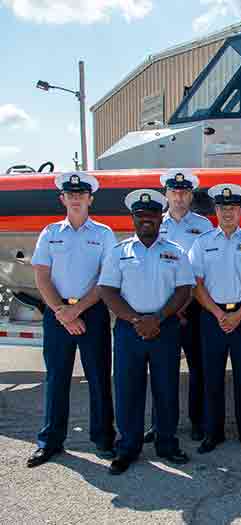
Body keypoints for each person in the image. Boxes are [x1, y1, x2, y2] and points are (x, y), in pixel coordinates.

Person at [98, 189, 194, 475]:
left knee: (166, 389)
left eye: (152, 215)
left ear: (160, 218)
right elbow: (108, 290)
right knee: (128, 390)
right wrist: (136, 320)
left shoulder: (175, 253)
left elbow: (184, 289)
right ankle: (127, 447)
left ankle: (166, 443)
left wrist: (159, 318)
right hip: (130, 331)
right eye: (141, 216)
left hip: (165, 329)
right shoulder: (119, 252)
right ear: (133, 219)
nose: (146, 220)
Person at [27, 172, 116, 467]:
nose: (76, 198)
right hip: (57, 313)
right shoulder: (50, 233)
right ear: (62, 198)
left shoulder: (103, 234)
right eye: (71, 194)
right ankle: (50, 441)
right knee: (57, 379)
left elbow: (106, 279)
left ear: (90, 198)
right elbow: (41, 275)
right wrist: (62, 312)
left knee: (99, 378)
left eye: (81, 194)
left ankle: (104, 439)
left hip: (92, 312)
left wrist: (76, 311)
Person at [188, 184, 241, 454]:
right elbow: (196, 285)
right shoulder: (202, 243)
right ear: (215, 210)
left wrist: (239, 314)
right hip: (212, 317)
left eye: (232, 208)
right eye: (222, 208)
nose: (227, 212)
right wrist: (219, 314)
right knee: (212, 378)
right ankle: (212, 434)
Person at [144, 168, 213, 443]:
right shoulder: (153, 224)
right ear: (166, 195)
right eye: (174, 192)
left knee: (199, 368)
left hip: (195, 307)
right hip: (162, 309)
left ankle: (198, 421)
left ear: (191, 196)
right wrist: (170, 309)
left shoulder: (204, 226)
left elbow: (205, 270)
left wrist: (185, 305)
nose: (179, 197)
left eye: (184, 193)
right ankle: (159, 423)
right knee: (161, 369)